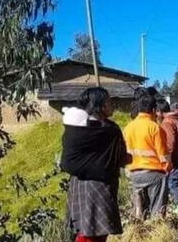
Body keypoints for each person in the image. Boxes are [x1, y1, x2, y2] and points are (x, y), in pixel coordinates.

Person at [61, 87, 130, 242]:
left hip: (78, 185)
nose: (112, 105)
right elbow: (120, 158)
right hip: (100, 187)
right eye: (109, 101)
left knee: (83, 232)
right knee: (95, 236)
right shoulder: (110, 130)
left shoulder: (75, 129)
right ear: (101, 106)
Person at [123, 90, 171, 219]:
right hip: (154, 174)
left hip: (134, 174)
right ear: (154, 109)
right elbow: (164, 155)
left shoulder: (128, 127)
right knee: (157, 212)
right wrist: (167, 170)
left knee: (139, 211)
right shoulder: (155, 128)